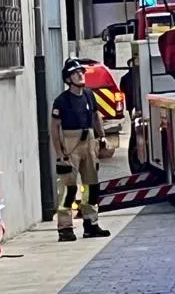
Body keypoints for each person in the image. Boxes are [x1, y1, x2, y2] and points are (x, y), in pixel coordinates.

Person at [51, 58, 111, 242]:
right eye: (76, 73)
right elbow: (54, 128)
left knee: (91, 186)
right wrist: (60, 155)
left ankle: (91, 224)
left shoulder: (89, 95)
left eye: (81, 72)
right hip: (71, 144)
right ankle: (65, 228)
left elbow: (96, 116)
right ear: (68, 79)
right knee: (68, 189)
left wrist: (102, 137)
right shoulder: (61, 101)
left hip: (89, 141)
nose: (80, 75)